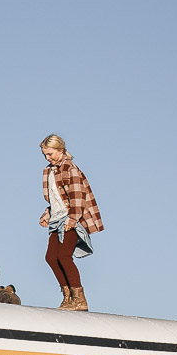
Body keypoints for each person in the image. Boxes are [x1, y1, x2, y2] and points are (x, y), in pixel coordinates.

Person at [38, 133, 103, 311]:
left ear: (61, 150)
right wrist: (47, 213)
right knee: (51, 257)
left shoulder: (69, 168)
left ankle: (79, 298)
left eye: (50, 154)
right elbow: (56, 198)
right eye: (45, 155)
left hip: (72, 217)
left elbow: (77, 196)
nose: (47, 158)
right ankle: (67, 297)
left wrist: (73, 219)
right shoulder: (49, 170)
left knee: (64, 256)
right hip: (57, 218)